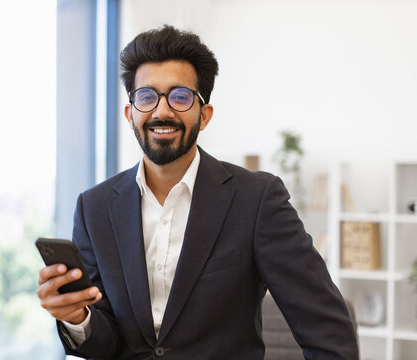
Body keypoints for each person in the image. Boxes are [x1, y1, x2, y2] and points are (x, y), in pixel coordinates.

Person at [37, 25, 359, 359]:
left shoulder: (257, 200)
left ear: (203, 115)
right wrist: (77, 318)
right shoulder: (95, 207)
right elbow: (106, 344)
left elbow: (328, 332)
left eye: (179, 97)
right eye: (147, 97)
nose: (162, 111)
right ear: (130, 113)